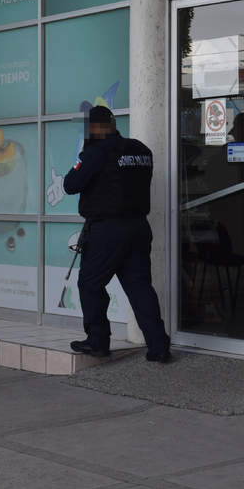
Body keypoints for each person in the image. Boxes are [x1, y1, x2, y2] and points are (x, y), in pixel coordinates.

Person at [62, 105, 172, 363]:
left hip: (107, 231)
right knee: (140, 287)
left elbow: (70, 185)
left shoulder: (96, 153)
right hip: (138, 228)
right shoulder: (141, 150)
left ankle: (98, 341)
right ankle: (158, 345)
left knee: (90, 284)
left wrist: (86, 156)